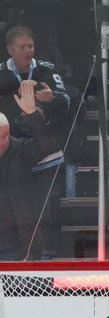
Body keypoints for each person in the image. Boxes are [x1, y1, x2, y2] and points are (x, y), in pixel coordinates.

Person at [0, 80, 57, 260]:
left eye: (4, 135)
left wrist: (32, 114)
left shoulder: (21, 151)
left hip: (17, 243)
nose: (1, 141)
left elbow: (46, 144)